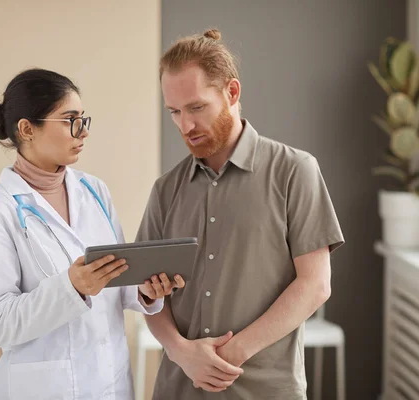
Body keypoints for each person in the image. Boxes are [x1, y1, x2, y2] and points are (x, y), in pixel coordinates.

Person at [137, 29, 345, 399]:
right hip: (179, 388)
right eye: (175, 112)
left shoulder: (294, 171)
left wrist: (226, 356)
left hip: (266, 390)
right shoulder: (166, 190)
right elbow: (150, 299)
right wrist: (182, 353)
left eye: (196, 107)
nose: (185, 126)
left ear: (232, 93)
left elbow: (315, 285)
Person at [0, 68, 184, 400]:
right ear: (27, 129)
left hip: (110, 384)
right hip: (45, 390)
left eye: (84, 120)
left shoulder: (94, 190)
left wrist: (146, 291)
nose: (82, 132)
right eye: (70, 120)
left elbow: (118, 281)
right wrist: (71, 287)